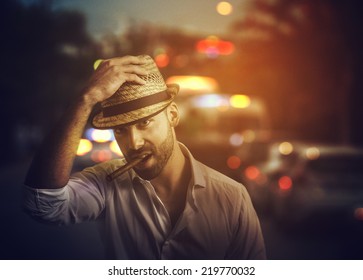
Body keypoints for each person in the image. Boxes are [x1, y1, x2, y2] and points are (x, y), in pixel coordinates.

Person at [23, 55, 266, 259]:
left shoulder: (232, 198)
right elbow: (43, 205)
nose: (133, 143)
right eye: (120, 130)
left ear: (172, 115)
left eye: (144, 123)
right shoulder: (106, 185)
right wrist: (85, 100)